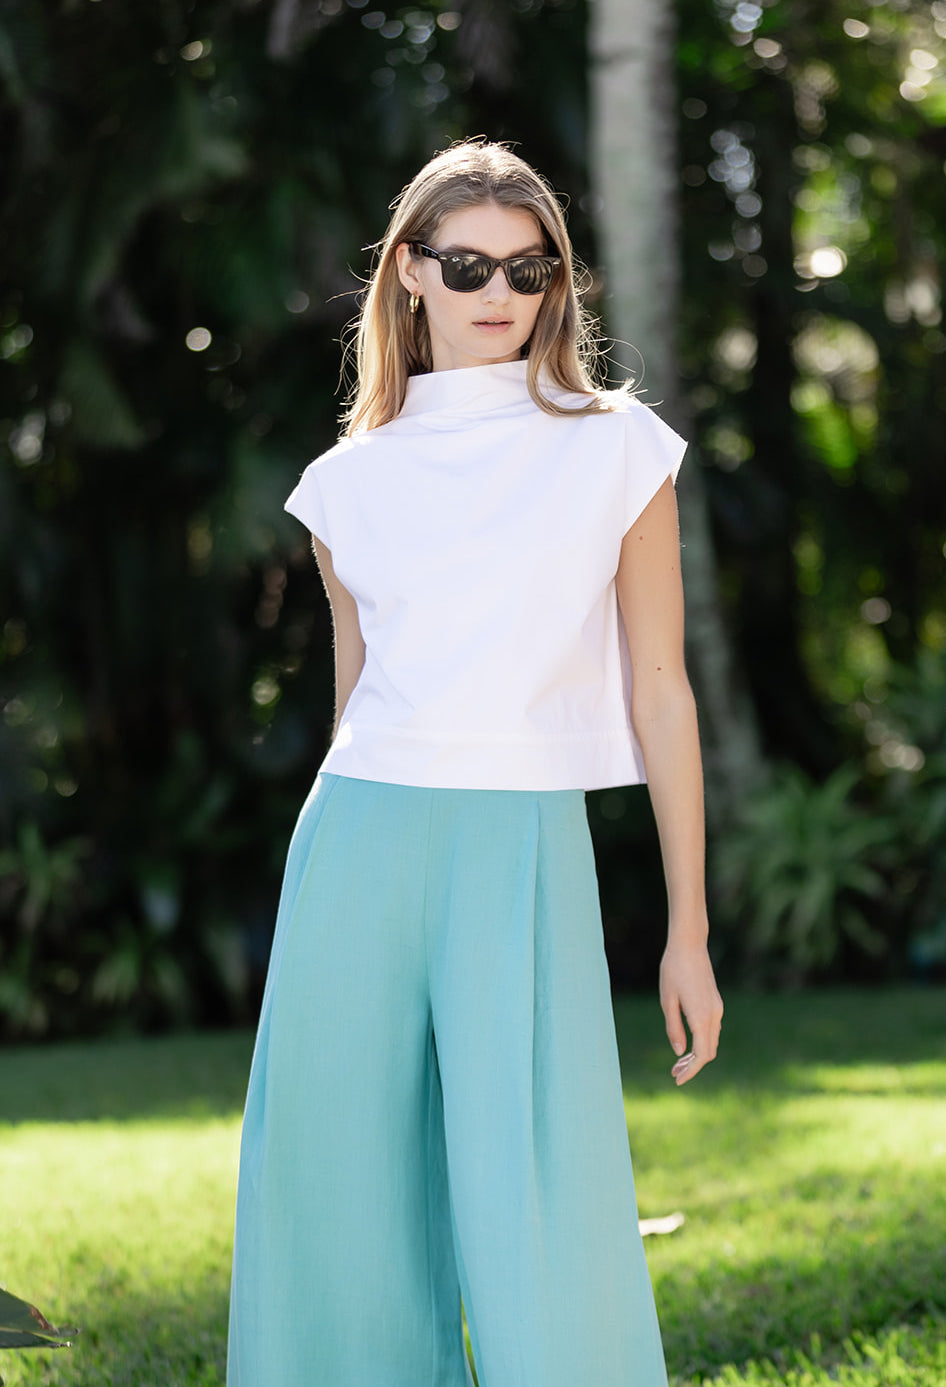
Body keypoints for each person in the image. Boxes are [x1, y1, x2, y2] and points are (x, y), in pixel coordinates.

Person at [226, 138, 724, 1387]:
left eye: (529, 267)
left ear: (558, 280)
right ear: (408, 271)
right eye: (466, 266)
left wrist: (687, 930)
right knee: (335, 1192)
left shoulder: (617, 447)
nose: (499, 292)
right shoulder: (345, 483)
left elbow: (660, 690)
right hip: (357, 840)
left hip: (520, 842)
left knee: (538, 1195)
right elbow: (355, 706)